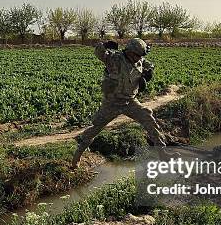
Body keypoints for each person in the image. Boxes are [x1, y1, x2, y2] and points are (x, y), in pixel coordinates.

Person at [71, 38, 166, 167]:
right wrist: (104, 45)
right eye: (136, 55)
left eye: (140, 56)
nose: (138, 58)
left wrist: (149, 73)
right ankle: (77, 156)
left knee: (148, 118)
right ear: (129, 51)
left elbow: (149, 65)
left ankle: (163, 153)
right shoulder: (114, 59)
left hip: (130, 101)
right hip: (112, 102)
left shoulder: (140, 61)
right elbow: (99, 52)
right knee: (95, 128)